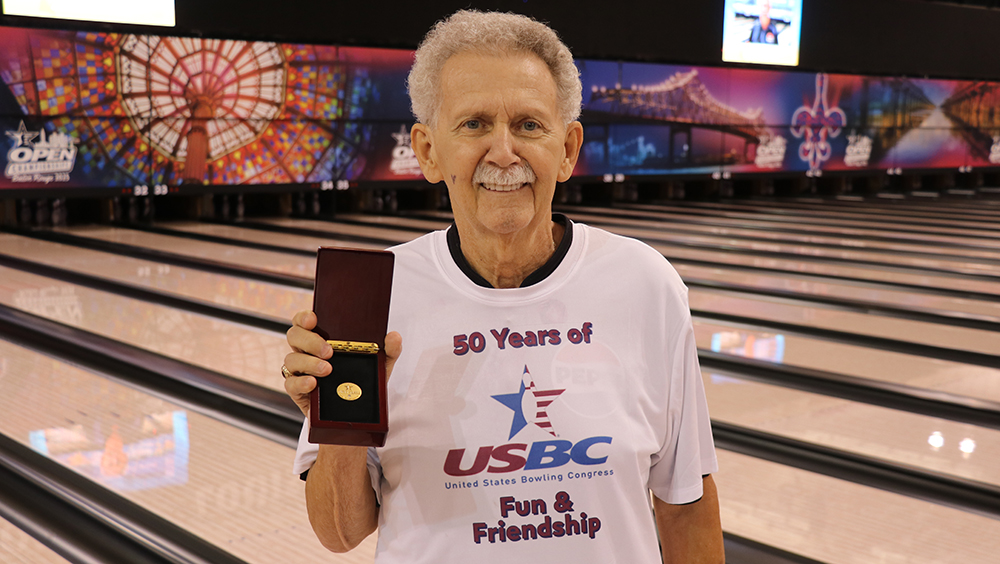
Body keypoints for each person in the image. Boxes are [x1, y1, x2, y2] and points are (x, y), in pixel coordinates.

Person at [282, 10, 723, 563]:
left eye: (529, 125)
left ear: (567, 149)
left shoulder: (646, 284)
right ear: (426, 151)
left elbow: (685, 503)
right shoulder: (373, 294)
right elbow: (339, 533)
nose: (504, 151)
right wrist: (338, 416)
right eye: (474, 124)